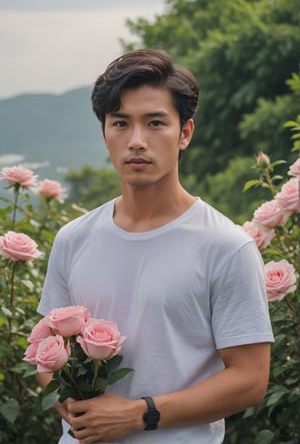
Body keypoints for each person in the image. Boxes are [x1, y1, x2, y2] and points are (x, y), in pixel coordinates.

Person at [37, 49, 274, 444]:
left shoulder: (226, 246)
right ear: (105, 134)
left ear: (185, 133)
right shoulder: (73, 238)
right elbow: (46, 345)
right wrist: (68, 403)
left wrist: (138, 414)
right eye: (121, 124)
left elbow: (250, 379)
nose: (136, 141)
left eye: (155, 123)